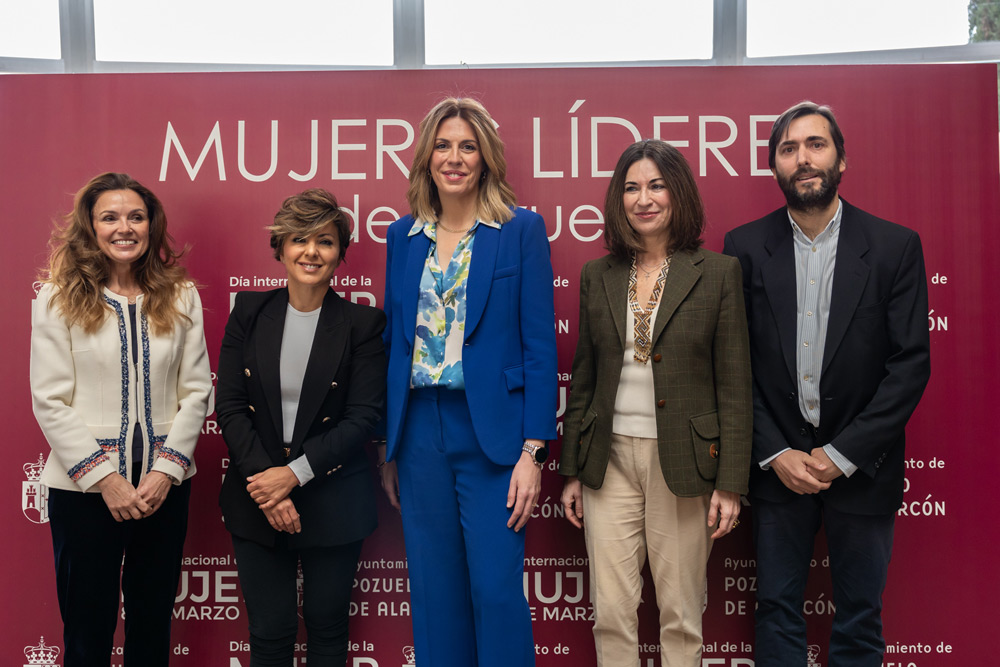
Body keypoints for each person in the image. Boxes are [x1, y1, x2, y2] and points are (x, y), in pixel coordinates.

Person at [722, 101, 931, 667]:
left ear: (842, 159)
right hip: (778, 471)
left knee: (860, 618)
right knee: (776, 611)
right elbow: (734, 365)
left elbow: (910, 363)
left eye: (815, 144)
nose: (803, 158)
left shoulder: (894, 247)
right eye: (788, 149)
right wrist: (773, 451)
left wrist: (841, 456)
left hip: (864, 466)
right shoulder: (742, 248)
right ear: (774, 168)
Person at [378, 97, 557, 667]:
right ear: (427, 156)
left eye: (468, 146)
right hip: (419, 436)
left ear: (486, 158)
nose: (454, 158)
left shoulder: (520, 229)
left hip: (494, 437)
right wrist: (389, 444)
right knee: (434, 596)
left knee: (496, 591)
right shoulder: (402, 236)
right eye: (444, 145)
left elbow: (539, 346)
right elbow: (394, 345)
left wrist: (533, 451)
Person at [559, 140, 752, 667]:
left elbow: (735, 384)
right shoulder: (598, 275)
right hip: (610, 461)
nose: (643, 199)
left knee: (681, 616)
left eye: (656, 185)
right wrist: (573, 470)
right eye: (631, 188)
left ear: (678, 193)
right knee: (611, 613)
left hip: (686, 464)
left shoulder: (717, 273)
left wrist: (731, 483)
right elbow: (584, 377)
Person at [30, 172, 211, 667]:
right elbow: (49, 399)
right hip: (85, 492)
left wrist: (165, 471)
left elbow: (196, 392)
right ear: (91, 227)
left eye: (136, 216)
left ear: (151, 227)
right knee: (87, 633)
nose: (124, 227)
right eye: (110, 217)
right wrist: (105, 479)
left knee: (152, 629)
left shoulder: (181, 296)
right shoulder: (56, 298)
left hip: (163, 491)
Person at [217, 188, 386, 667]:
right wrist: (269, 486)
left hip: (334, 498)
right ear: (281, 247)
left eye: (325, 242)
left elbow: (362, 418)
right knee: (269, 634)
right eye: (299, 240)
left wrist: (294, 475)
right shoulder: (249, 313)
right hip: (256, 495)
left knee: (328, 630)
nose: (311, 252)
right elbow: (229, 406)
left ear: (340, 253)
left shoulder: (363, 325)